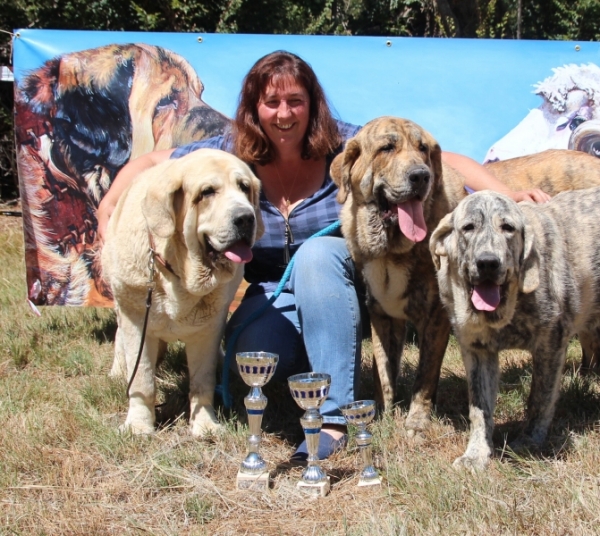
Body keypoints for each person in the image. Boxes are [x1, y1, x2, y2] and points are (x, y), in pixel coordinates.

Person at [97, 50, 550, 463]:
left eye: (295, 101)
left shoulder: (345, 144)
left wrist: (506, 193)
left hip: (339, 280)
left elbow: (444, 158)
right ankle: (327, 364)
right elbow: (155, 164)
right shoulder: (231, 150)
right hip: (275, 291)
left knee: (317, 254)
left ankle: (334, 419)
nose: (284, 113)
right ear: (255, 108)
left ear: (312, 105)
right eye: (271, 102)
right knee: (256, 357)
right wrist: (108, 205)